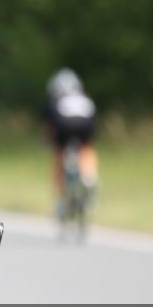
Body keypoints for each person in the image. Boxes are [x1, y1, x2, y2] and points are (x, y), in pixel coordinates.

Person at [42, 68, 98, 212]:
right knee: (86, 147)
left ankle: (61, 196)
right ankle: (89, 176)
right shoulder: (84, 96)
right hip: (86, 122)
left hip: (64, 124)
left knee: (59, 152)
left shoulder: (55, 99)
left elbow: (49, 126)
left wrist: (47, 141)